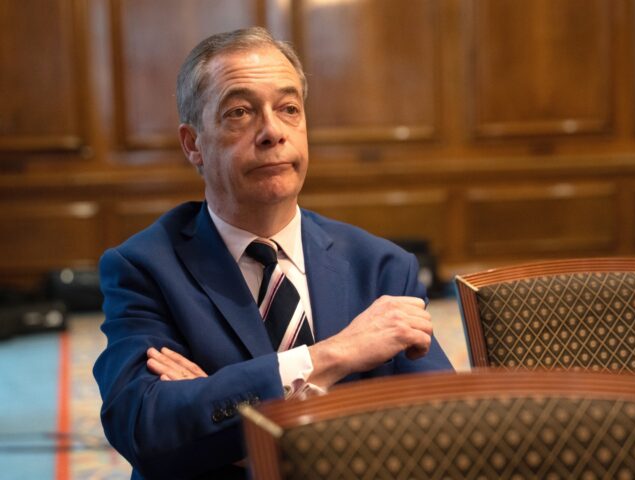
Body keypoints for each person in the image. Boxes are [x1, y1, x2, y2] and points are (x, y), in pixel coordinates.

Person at [93, 26, 452, 480]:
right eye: (240, 112)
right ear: (193, 143)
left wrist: (220, 420)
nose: (272, 132)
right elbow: (145, 429)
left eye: (289, 109)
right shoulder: (145, 268)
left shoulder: (381, 267)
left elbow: (443, 434)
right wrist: (329, 359)